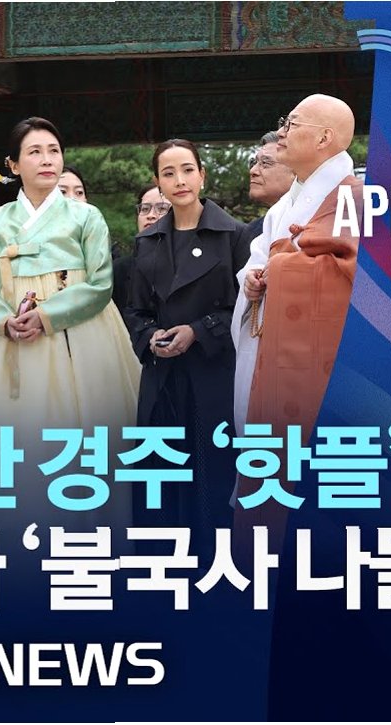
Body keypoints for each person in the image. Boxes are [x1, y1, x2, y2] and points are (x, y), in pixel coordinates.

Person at [0, 117, 140, 540]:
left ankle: (82, 539)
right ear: (14, 165)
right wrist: (4, 319)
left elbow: (100, 283)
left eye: (53, 150)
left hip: (79, 335)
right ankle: (10, 541)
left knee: (81, 433)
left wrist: (48, 316)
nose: (47, 160)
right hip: (8, 335)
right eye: (34, 152)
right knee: (10, 437)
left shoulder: (87, 217)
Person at [231, 94, 362, 539]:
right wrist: (253, 279)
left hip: (319, 366)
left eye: (292, 124)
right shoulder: (284, 206)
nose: (282, 132)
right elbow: (259, 260)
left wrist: (283, 269)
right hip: (273, 350)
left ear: (324, 138)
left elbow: (354, 275)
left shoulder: (356, 197)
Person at [123, 139, 248, 547]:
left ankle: (217, 561)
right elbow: (135, 310)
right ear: (158, 183)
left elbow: (245, 309)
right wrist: (150, 337)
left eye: (187, 170)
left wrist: (198, 330)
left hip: (213, 373)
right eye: (169, 173)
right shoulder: (148, 241)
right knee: (161, 474)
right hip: (162, 376)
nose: (180, 180)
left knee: (213, 474)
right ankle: (160, 561)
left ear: (202, 175)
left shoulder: (234, 235)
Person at [112, 184, 172, 313]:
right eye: (145, 209)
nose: (151, 215)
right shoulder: (118, 270)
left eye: (161, 208)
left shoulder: (192, 266)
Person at [238, 130, 295, 249]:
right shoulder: (250, 232)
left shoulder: (320, 220)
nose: (253, 171)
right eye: (254, 162)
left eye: (265, 163)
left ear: (297, 171)